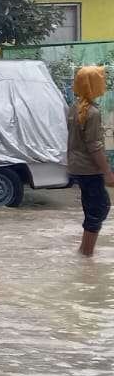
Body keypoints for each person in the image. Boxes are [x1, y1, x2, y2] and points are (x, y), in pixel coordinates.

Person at [67, 66, 114, 257]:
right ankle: (86, 253)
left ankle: (85, 251)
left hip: (77, 166)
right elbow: (94, 146)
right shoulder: (92, 112)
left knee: (94, 207)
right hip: (89, 168)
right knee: (99, 207)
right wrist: (107, 172)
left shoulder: (74, 107)